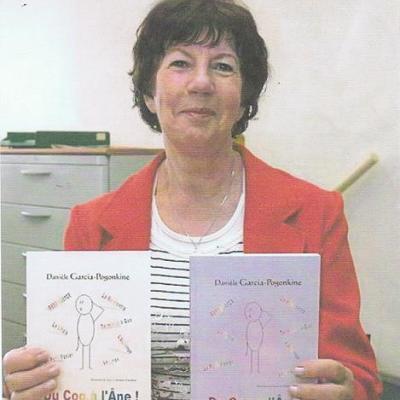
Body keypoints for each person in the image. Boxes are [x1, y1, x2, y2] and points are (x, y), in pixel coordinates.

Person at [2, 0, 382, 399]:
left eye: (223, 66)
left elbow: (358, 375)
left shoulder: (316, 213)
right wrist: (25, 387)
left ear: (244, 97)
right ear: (150, 94)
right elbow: (68, 376)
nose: (201, 83)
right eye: (180, 63)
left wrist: (347, 391)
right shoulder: (91, 224)